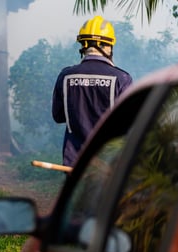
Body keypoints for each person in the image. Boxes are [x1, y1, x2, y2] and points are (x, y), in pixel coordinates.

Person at [52, 15, 132, 167]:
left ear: (83, 46)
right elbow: (127, 124)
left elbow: (59, 116)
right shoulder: (122, 78)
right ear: (109, 46)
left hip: (74, 162)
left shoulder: (66, 76)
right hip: (108, 164)